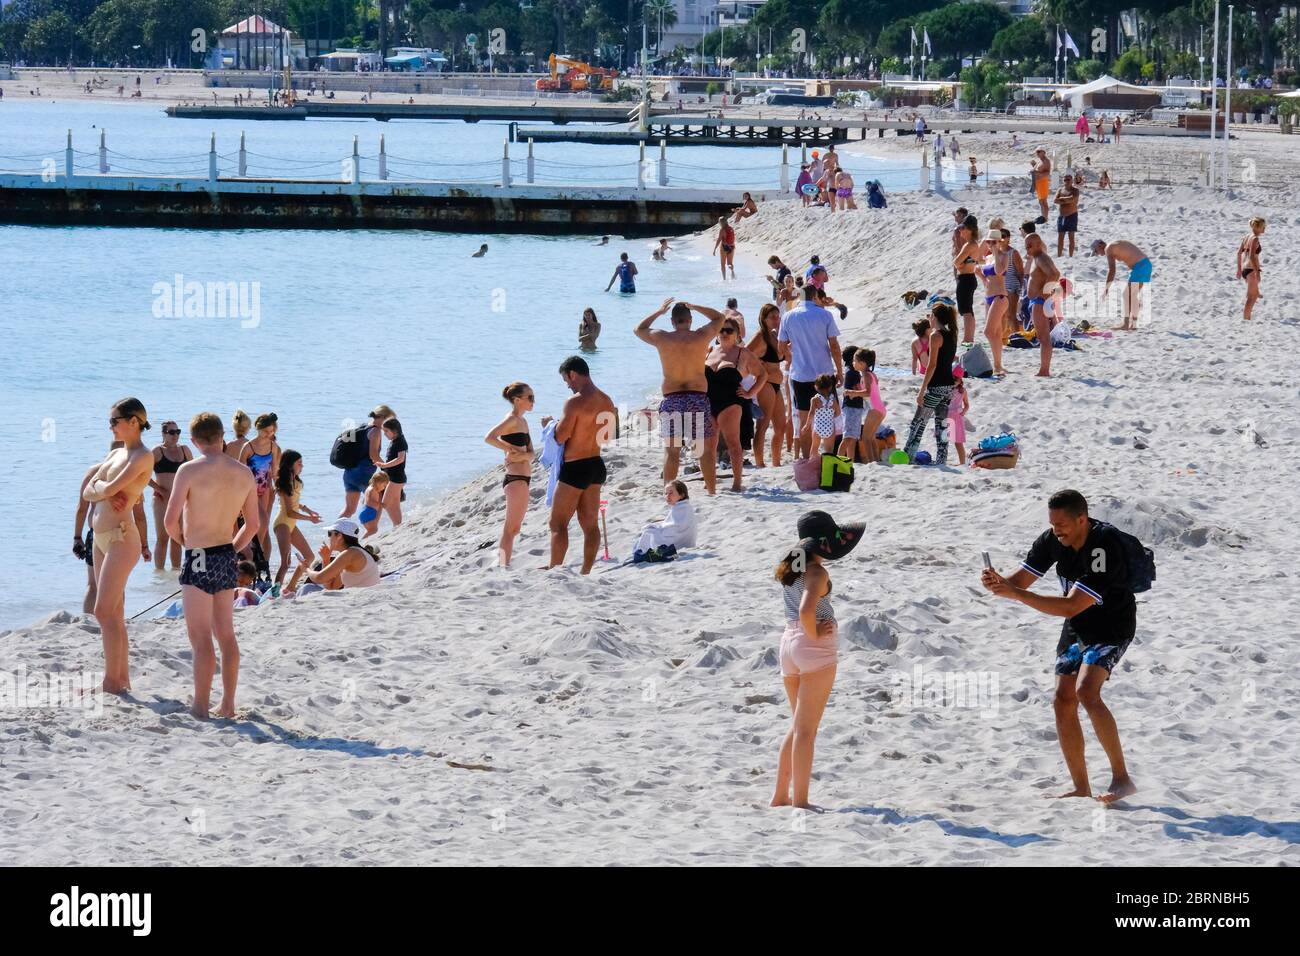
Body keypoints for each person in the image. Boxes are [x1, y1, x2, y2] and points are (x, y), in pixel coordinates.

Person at [982, 489, 1138, 804]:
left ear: (1083, 519)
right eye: (1053, 524)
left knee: (1086, 692)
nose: (1057, 531)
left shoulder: (1103, 546)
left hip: (1112, 625)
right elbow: (1021, 583)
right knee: (1062, 699)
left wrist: (1015, 595)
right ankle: (1081, 787)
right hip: (1078, 627)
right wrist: (999, 584)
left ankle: (1122, 779)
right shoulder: (1054, 539)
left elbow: (1069, 605)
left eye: (1062, 525)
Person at [164, 412, 260, 719]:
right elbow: (254, 525)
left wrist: (185, 542)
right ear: (222, 437)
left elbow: (169, 521)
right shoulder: (243, 472)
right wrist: (232, 547)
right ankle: (228, 704)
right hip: (224, 553)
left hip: (199, 553)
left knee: (200, 635)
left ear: (193, 441)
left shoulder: (189, 470)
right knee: (226, 633)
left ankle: (200, 706)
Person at [771, 510, 865, 810]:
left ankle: (780, 797)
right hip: (812, 648)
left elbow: (798, 609)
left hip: (787, 645)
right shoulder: (817, 573)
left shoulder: (793, 566)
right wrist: (814, 631)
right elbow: (806, 610)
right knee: (807, 731)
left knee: (797, 727)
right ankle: (800, 801)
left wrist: (806, 629)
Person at [82, 398, 155, 694]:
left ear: (133, 421)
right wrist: (102, 491)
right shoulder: (115, 454)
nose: (110, 426)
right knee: (114, 614)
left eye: (114, 421)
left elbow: (106, 488)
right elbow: (88, 490)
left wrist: (103, 490)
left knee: (103, 610)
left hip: (122, 538)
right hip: (101, 538)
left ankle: (111, 682)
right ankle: (121, 678)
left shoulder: (141, 455)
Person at [636, 298, 727, 495]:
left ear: (672, 321)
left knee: (672, 451)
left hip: (672, 398)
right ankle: (711, 491)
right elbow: (719, 317)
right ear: (690, 319)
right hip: (697, 397)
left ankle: (669, 493)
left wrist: (658, 311)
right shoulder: (701, 336)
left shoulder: (662, 337)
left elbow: (639, 329)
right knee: (703, 449)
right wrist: (696, 305)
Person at [547, 356, 617, 573]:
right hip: (596, 465)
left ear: (573, 374)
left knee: (558, 524)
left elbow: (561, 436)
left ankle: (554, 570)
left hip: (575, 467)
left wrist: (550, 425)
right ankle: (585, 571)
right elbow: (608, 437)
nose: (567, 385)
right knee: (590, 525)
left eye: (566, 380)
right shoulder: (607, 401)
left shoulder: (574, 402)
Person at [778, 284, 843, 460]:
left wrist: (793, 356)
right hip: (824, 374)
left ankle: (807, 459)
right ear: (815, 296)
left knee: (805, 421)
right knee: (830, 416)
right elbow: (834, 346)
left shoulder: (788, 316)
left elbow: (781, 347)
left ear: (799, 296)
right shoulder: (825, 315)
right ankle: (829, 457)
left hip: (800, 374)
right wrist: (840, 371)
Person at [706, 317, 766, 492]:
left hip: (731, 402)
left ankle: (737, 483)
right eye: (721, 330)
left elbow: (762, 375)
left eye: (729, 330)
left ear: (737, 334)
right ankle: (710, 482)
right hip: (709, 402)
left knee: (733, 443)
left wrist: (750, 393)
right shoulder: (710, 350)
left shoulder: (743, 353)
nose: (724, 333)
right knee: (709, 445)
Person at [485, 382, 535, 567]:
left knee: (515, 528)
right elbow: (489, 437)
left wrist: (520, 454)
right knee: (510, 528)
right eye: (530, 397)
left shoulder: (523, 421)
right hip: (515, 479)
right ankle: (503, 565)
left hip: (523, 478)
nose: (533, 401)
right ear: (517, 400)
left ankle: (504, 564)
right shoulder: (512, 419)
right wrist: (510, 450)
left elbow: (531, 454)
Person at [902, 303, 958, 464]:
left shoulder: (936, 336)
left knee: (918, 423)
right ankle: (942, 460)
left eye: (931, 315)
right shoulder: (951, 334)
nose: (929, 318)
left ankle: (908, 457)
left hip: (937, 386)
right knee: (942, 424)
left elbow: (931, 365)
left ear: (935, 317)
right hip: (948, 386)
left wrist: (922, 390)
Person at [272, 449, 320, 586]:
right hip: (282, 523)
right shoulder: (283, 483)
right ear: (290, 464)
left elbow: (295, 503)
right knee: (285, 563)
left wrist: (308, 510)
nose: (302, 466)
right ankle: (275, 593)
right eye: (299, 463)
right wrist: (309, 519)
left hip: (291, 524)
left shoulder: (297, 482)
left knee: (310, 556)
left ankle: (291, 586)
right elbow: (289, 512)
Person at [747, 304, 787, 469]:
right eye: (772, 317)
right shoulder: (760, 336)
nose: (776, 320)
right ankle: (760, 463)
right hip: (766, 384)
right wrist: (758, 368)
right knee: (763, 425)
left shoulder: (774, 335)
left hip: (777, 384)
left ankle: (776, 463)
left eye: (777, 316)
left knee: (780, 426)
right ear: (763, 319)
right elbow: (745, 354)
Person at [148, 420, 192, 570]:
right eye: (171, 432)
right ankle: (159, 573)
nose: (175, 435)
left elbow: (194, 472)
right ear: (164, 434)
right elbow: (141, 475)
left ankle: (175, 573)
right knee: (162, 538)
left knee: (177, 537)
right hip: (162, 499)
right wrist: (160, 489)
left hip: (180, 499)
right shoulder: (157, 451)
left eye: (177, 432)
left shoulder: (185, 450)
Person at [237, 413, 280, 557]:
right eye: (266, 431)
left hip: (265, 489)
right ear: (258, 428)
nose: (269, 434)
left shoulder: (273, 446)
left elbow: (274, 471)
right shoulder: (248, 447)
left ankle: (256, 553)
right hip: (249, 490)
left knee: (264, 524)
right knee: (256, 522)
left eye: (271, 431)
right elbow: (240, 473)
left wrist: (278, 488)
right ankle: (246, 550)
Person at [303, 518, 381, 591]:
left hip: (361, 599)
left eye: (330, 534)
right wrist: (325, 560)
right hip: (363, 596)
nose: (329, 538)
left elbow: (319, 578)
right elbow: (331, 587)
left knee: (307, 588)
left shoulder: (349, 554)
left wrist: (306, 569)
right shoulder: (353, 552)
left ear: (339, 536)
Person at [1092, 239, 1152, 332]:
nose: (1098, 254)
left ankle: (1125, 324)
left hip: (1139, 267)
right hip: (1146, 264)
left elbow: (1112, 271)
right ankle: (1134, 324)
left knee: (1126, 295)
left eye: (1096, 251)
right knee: (1132, 296)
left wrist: (1106, 289)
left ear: (1100, 245)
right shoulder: (1114, 244)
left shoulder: (1108, 249)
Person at [340, 406, 390, 518]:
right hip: (363, 474)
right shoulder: (376, 431)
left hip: (349, 473)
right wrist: (387, 467)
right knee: (378, 502)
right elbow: (374, 455)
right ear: (382, 417)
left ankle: (334, 533)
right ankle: (371, 530)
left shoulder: (363, 427)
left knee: (349, 510)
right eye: (388, 420)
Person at [1024, 234, 1062, 376]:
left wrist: (1043, 293)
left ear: (1038, 244)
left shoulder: (1041, 258)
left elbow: (1054, 274)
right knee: (1042, 336)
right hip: (1038, 300)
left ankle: (1044, 370)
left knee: (1044, 337)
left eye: (1030, 245)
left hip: (1039, 301)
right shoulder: (1039, 258)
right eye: (1026, 245)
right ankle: (1044, 369)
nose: (1027, 248)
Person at [633, 481, 697, 556]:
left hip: (680, 543)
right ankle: (641, 552)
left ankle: (641, 553)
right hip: (682, 540)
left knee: (649, 531)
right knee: (651, 529)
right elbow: (672, 524)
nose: (667, 496)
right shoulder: (680, 506)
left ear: (681, 495)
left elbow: (676, 527)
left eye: (671, 493)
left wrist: (657, 528)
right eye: (666, 493)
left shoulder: (683, 508)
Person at [979, 230, 1009, 377]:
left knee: (988, 331)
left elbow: (998, 271)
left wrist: (996, 251)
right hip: (989, 297)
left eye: (994, 242)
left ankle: (998, 365)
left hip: (1000, 296)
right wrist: (983, 280)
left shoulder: (1003, 256)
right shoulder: (988, 257)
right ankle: (998, 365)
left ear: (999, 242)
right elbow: (979, 269)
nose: (990, 244)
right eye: (988, 242)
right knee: (995, 333)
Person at [953, 214, 981, 345]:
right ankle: (970, 337)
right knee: (968, 310)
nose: (960, 230)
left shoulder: (969, 245)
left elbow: (956, 262)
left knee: (966, 311)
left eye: (962, 227)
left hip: (965, 278)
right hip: (970, 277)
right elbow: (969, 262)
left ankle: (968, 338)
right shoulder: (974, 244)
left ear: (969, 229)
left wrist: (960, 264)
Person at [378, 418, 407, 528]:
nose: (384, 434)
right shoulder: (394, 441)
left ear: (394, 431)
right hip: (394, 477)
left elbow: (400, 459)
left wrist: (385, 465)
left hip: (397, 478)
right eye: (383, 431)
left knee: (385, 503)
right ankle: (398, 525)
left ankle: (397, 525)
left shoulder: (400, 441)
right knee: (395, 504)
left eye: (386, 431)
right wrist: (382, 465)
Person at [1236, 217, 1265, 321]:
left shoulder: (1246, 237)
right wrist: (1257, 272)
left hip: (1245, 269)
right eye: (1263, 226)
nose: (1264, 229)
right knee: (1251, 298)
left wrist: (1239, 270)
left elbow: (1239, 253)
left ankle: (1257, 292)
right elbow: (1252, 256)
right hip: (1251, 270)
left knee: (1253, 294)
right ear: (1258, 227)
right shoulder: (1255, 239)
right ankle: (1246, 320)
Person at [803, 374, 840, 456]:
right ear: (830, 387)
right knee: (829, 450)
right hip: (830, 427)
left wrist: (807, 425)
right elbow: (838, 413)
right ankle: (827, 466)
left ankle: (812, 464)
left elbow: (811, 413)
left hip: (818, 427)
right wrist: (830, 416)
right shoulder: (833, 400)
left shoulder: (815, 399)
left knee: (814, 448)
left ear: (816, 387)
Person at [1001, 227, 1026, 339]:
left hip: (1012, 286)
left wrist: (1020, 289)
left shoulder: (1013, 252)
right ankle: (1005, 337)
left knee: (1011, 315)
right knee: (1003, 315)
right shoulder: (997, 253)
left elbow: (1021, 272)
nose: (1000, 239)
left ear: (1008, 238)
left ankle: (1017, 338)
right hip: (1001, 286)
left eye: (1003, 236)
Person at [1054, 173, 1081, 257]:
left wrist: (1061, 199)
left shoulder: (1075, 190)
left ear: (1072, 180)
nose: (1066, 181)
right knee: (1060, 238)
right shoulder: (1060, 190)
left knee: (1071, 237)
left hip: (1072, 215)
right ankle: (1059, 255)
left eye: (1068, 180)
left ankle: (1071, 256)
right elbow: (1055, 200)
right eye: (1065, 180)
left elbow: (1072, 199)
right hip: (1062, 216)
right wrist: (1065, 200)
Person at [948, 371, 970, 465]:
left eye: (956, 380)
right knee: (943, 439)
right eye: (952, 379)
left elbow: (967, 404)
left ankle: (962, 463)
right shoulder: (947, 389)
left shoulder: (963, 391)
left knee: (958, 442)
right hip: (947, 416)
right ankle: (942, 460)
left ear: (960, 381)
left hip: (957, 418)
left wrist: (963, 412)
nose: (954, 382)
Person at [358, 471, 389, 536]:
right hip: (368, 512)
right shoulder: (372, 490)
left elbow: (364, 501)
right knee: (373, 530)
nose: (384, 488)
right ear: (378, 482)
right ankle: (362, 541)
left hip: (367, 511)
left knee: (371, 530)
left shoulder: (370, 488)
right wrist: (380, 504)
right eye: (384, 485)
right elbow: (369, 501)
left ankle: (363, 540)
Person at [1031, 148, 1052, 223]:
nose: (1037, 153)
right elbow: (1038, 170)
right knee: (1041, 201)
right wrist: (1033, 165)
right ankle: (1043, 217)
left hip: (1043, 182)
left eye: (1039, 151)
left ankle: (1045, 218)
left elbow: (1047, 173)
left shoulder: (1046, 161)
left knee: (1044, 201)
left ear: (1044, 152)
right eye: (1036, 152)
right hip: (1038, 182)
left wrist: (1037, 173)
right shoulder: (1040, 161)